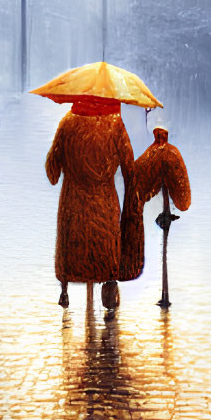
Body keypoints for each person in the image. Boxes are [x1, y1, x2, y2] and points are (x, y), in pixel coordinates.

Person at [43, 94, 136, 311]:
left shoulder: (67, 122)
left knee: (73, 249)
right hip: (104, 203)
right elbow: (129, 166)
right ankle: (109, 286)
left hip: (73, 203)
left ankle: (66, 290)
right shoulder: (115, 124)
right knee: (105, 250)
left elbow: (52, 172)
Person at [129, 127, 191, 305]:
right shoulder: (172, 154)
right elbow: (183, 200)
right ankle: (165, 295)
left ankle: (164, 295)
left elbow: (137, 186)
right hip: (162, 206)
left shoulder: (150, 155)